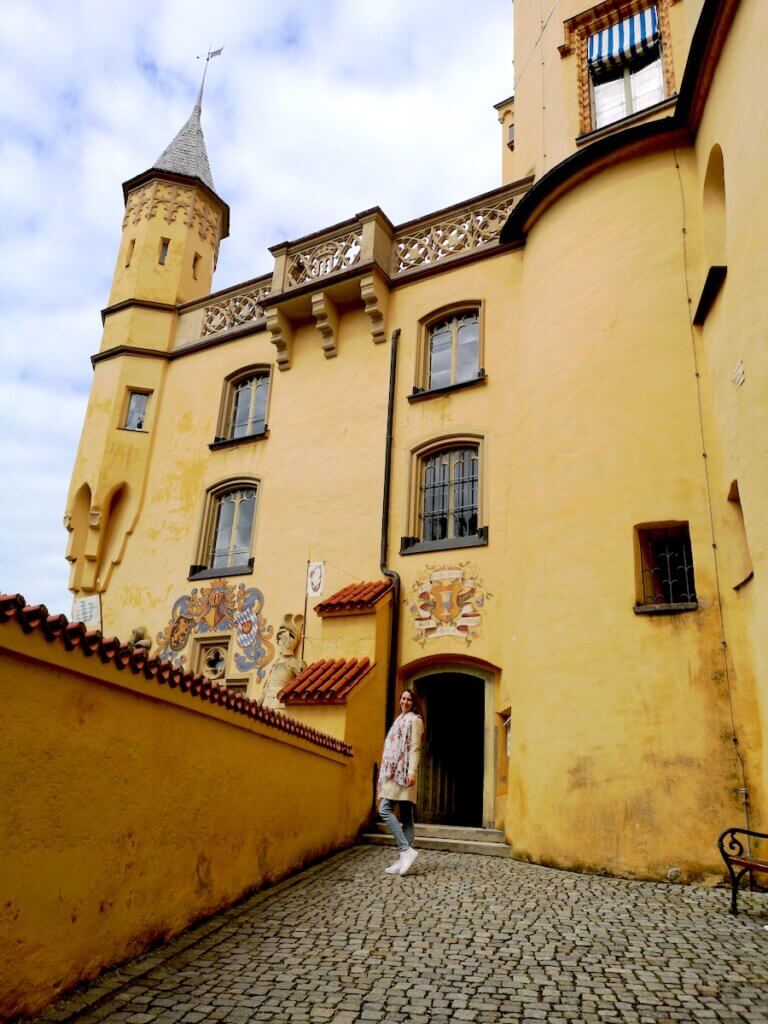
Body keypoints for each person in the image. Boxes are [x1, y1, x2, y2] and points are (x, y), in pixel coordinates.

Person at [378, 688, 424, 876]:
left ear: (414, 703)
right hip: (393, 771)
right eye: (403, 699)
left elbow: (415, 748)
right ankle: (403, 858)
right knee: (406, 818)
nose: (405, 702)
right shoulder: (399, 720)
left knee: (384, 809)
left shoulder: (415, 720)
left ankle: (406, 850)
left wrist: (412, 771)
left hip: (402, 773)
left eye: (409, 700)